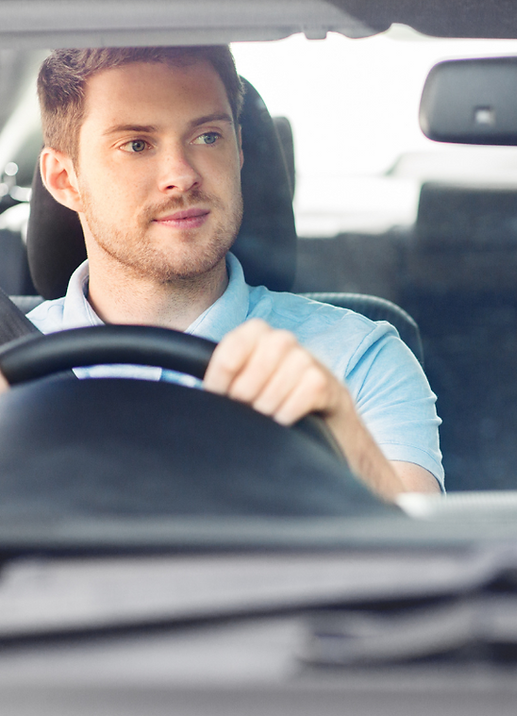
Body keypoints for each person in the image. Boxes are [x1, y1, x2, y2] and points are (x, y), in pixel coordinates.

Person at [11, 45, 442, 500]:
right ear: (64, 179)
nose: (181, 175)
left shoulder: (352, 360)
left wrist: (339, 436)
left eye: (207, 137)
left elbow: (429, 562)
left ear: (238, 151)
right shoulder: (7, 366)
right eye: (136, 145)